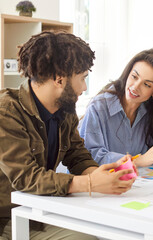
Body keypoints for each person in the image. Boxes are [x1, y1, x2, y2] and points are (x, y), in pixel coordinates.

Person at [0, 32, 135, 239]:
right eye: (82, 78)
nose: (85, 87)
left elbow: (77, 156)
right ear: (59, 79)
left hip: (41, 209)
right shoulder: (6, 111)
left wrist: (105, 176)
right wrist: (90, 184)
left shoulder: (64, 109)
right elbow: (26, 178)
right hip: (9, 219)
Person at [79, 49, 153, 167]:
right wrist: (137, 161)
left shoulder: (151, 111)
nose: (135, 86)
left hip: (138, 182)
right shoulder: (99, 107)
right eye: (134, 76)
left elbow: (152, 156)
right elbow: (89, 157)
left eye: (147, 84)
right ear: (128, 73)